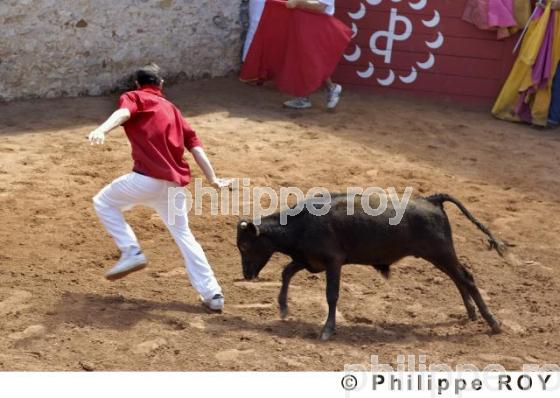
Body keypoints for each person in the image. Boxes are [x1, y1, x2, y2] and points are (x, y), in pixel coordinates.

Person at [88, 64, 230, 311]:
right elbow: (196, 147)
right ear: (161, 84)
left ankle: (131, 250)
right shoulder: (174, 110)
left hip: (146, 180)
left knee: (104, 202)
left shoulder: (134, 97)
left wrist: (102, 129)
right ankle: (213, 294)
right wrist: (213, 179)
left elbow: (123, 114)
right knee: (185, 237)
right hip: (175, 188)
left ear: (137, 84)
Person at [283, 0, 342, 110]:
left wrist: (297, 2)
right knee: (305, 59)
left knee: (313, 61)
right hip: (306, 24)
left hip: (319, 26)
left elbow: (320, 7)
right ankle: (305, 96)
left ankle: (331, 89)